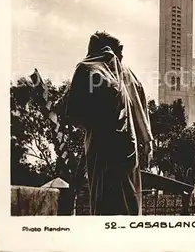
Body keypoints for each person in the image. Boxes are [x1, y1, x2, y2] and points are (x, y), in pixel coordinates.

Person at [65, 31, 153, 215]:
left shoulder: (87, 69)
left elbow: (74, 113)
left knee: (107, 203)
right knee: (126, 205)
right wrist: (146, 141)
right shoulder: (120, 73)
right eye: (118, 50)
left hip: (107, 151)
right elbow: (142, 109)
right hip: (123, 151)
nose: (121, 56)